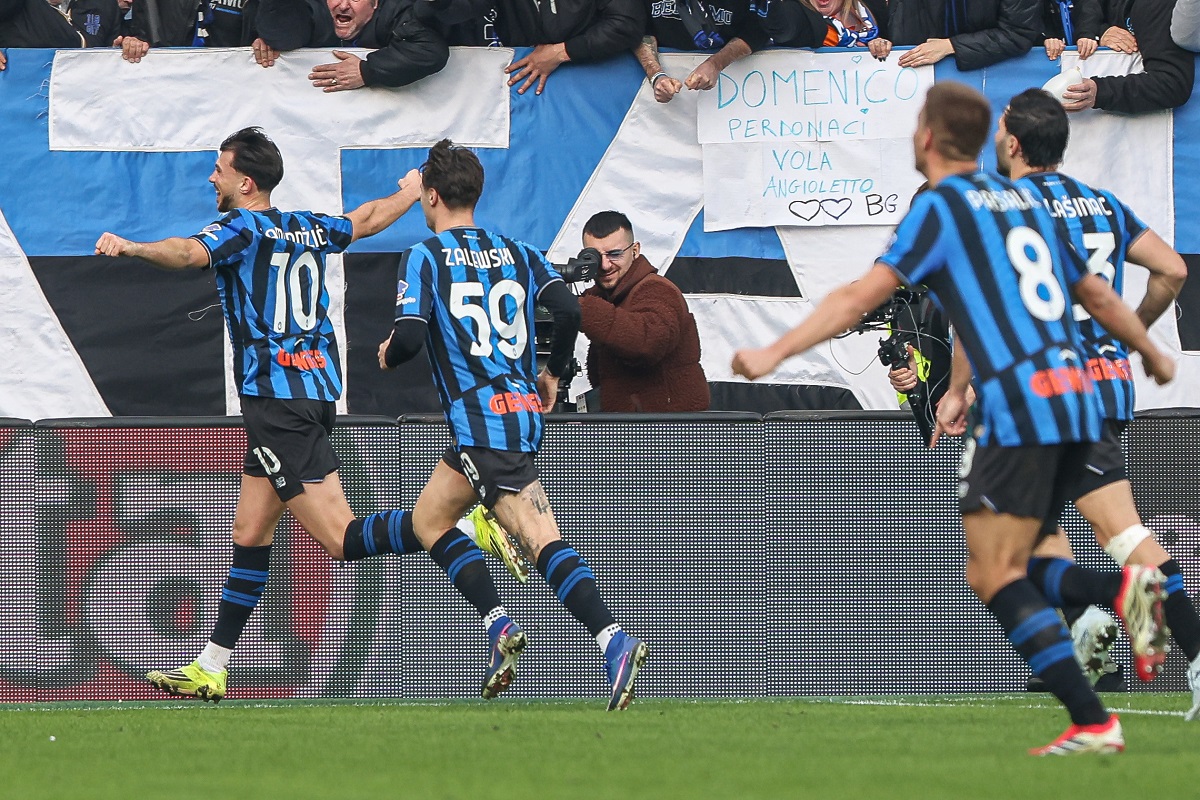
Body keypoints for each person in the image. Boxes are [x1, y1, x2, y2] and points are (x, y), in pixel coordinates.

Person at [732, 81, 1173, 755]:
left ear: (930, 139)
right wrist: (1148, 350)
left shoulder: (942, 206)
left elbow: (859, 296)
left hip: (1022, 406)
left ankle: (1105, 680)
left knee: (991, 573)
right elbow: (1092, 289)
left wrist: (774, 351)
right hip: (1080, 397)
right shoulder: (1024, 200)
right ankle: (1118, 637)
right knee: (1018, 560)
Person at [93, 127, 503, 703]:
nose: (212, 177)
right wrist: (412, 193)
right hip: (313, 392)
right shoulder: (307, 226)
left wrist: (131, 247)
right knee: (250, 530)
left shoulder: (240, 228)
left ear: (246, 181)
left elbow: (188, 253)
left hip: (276, 402)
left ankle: (453, 526)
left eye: (219, 168)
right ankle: (212, 664)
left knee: (340, 539)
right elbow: (364, 220)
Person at [377, 140, 649, 710]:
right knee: (430, 520)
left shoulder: (425, 254)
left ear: (430, 197)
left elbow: (406, 339)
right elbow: (570, 311)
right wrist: (554, 371)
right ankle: (500, 626)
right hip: (519, 412)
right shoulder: (520, 251)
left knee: (538, 535)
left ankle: (612, 639)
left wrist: (386, 353)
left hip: (481, 421)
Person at [996, 87, 1200, 712]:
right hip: (1103, 382)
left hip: (1052, 389)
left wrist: (956, 389)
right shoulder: (1099, 201)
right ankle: (1095, 625)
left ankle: (1176, 640)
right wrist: (1127, 331)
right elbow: (1172, 269)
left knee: (1123, 536)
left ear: (1011, 142)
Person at [576, 211, 709, 412]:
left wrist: (580, 308)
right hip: (632, 430)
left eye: (614, 254)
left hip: (670, 432)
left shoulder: (658, 290)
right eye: (594, 257)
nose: (604, 265)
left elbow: (646, 343)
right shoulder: (599, 296)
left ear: (635, 250)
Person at [251, 0, 460, 92]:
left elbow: (431, 51)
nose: (343, 5)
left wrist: (367, 71)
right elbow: (284, 31)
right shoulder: (316, 10)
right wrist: (269, 39)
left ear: (375, 3)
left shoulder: (396, 13)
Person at [1055, 0, 1195, 114]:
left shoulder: (1158, 6)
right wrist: (1097, 32)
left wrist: (1099, 91)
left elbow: (1171, 83)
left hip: (1157, 136)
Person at [634, 0, 772, 105]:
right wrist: (656, 76)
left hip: (732, 96)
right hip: (662, 105)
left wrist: (715, 64)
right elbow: (636, 30)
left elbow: (757, 32)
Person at [887, 0, 1040, 71]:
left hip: (989, 76)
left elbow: (1018, 33)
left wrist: (951, 46)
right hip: (921, 77)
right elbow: (899, 27)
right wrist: (882, 43)